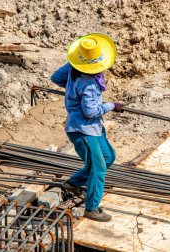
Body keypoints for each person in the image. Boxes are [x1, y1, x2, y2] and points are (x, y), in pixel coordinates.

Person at [50, 33, 123, 222]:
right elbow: (91, 111)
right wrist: (112, 106)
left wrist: (71, 92)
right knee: (98, 169)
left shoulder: (71, 67)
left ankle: (73, 183)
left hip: (92, 127)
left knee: (108, 157)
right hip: (82, 130)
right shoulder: (89, 83)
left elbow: (55, 77)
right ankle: (91, 208)